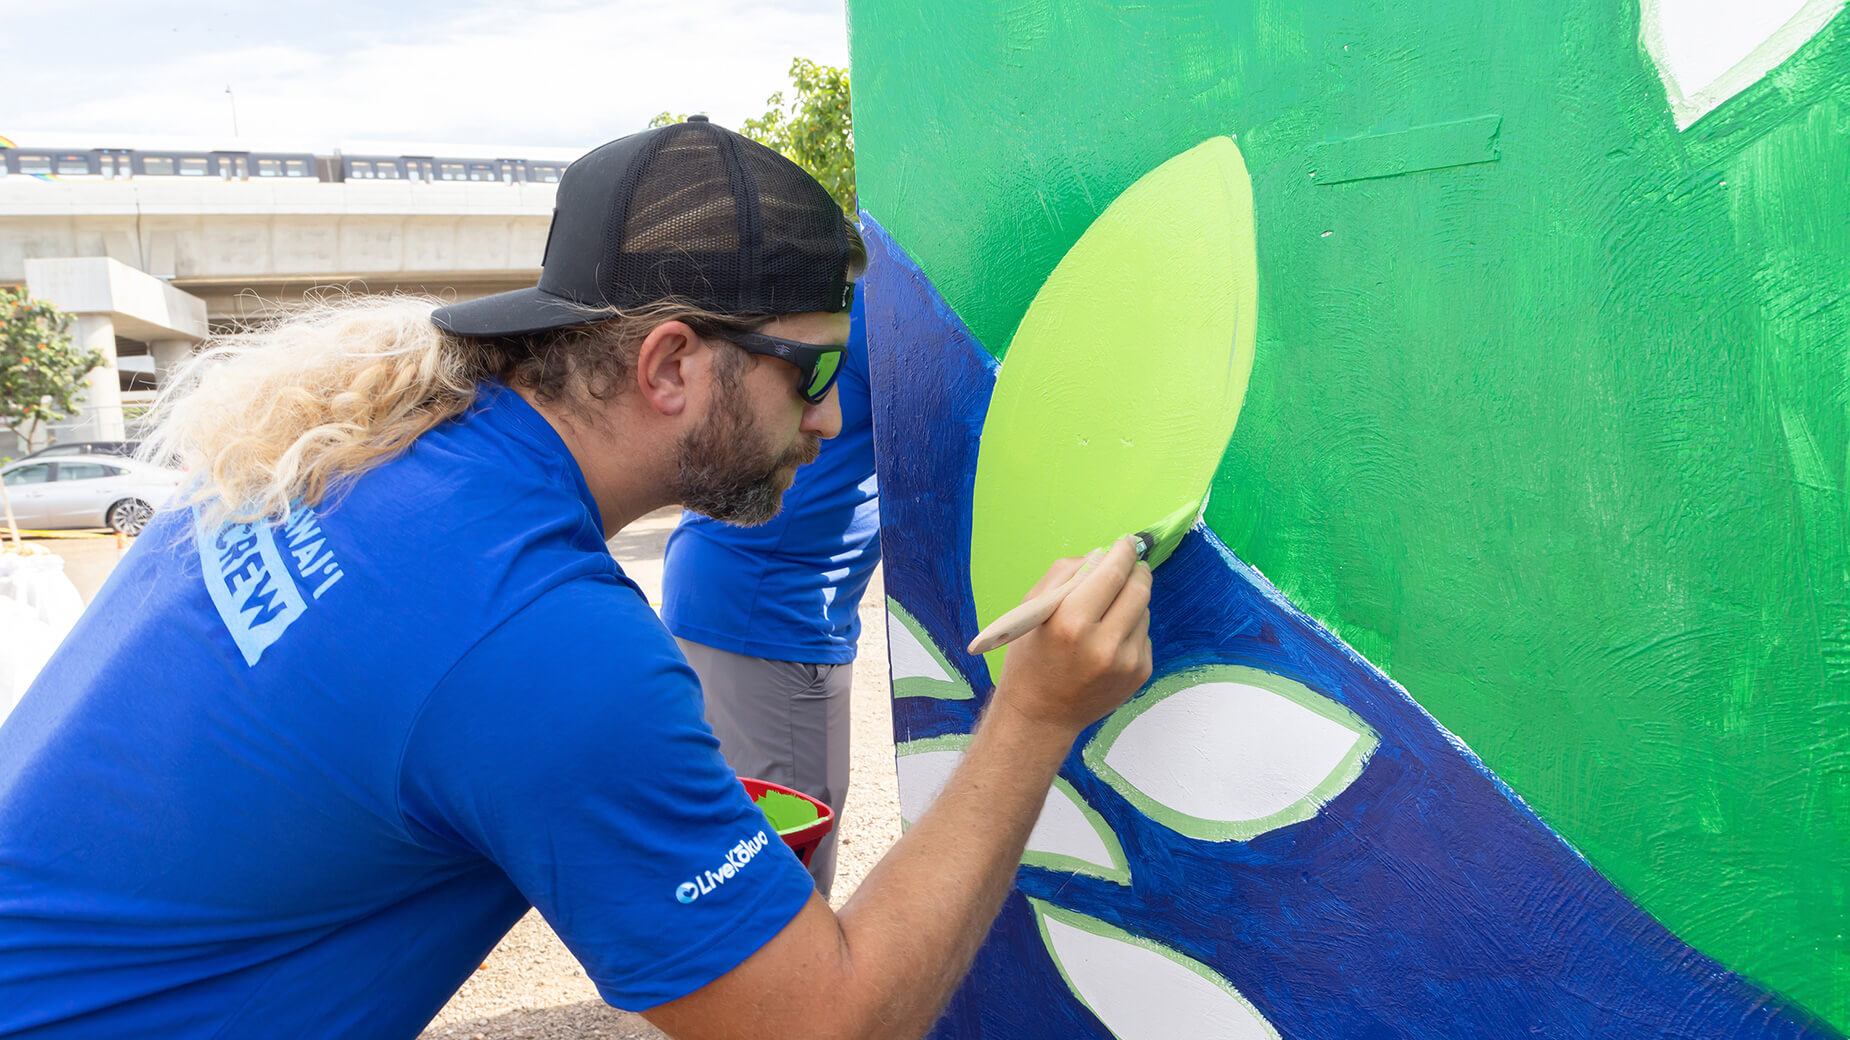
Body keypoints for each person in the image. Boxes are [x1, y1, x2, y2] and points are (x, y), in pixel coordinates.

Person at [0, 117, 1152, 1040]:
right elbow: (822, 1021)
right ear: (668, 363)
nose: (835, 415)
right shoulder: (536, 638)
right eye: (815, 369)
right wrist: (1031, 715)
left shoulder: (343, 453)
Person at [661, 290, 879, 898]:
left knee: (754, 834)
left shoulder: (847, 309)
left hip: (748, 592)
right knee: (785, 859)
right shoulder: (880, 315)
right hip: (768, 603)